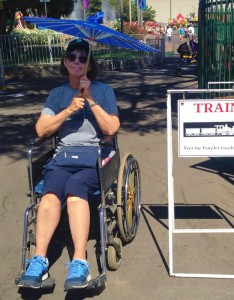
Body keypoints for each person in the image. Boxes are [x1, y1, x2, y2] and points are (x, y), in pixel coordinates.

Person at [18, 38, 120, 290]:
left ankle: (80, 262)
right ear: (65, 62)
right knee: (50, 195)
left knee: (75, 191)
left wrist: (91, 100)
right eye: (72, 57)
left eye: (82, 57)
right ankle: (38, 261)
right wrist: (69, 110)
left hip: (93, 158)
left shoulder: (104, 91)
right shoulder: (58, 94)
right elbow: (41, 129)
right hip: (62, 158)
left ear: (88, 63)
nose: (77, 61)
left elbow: (111, 128)